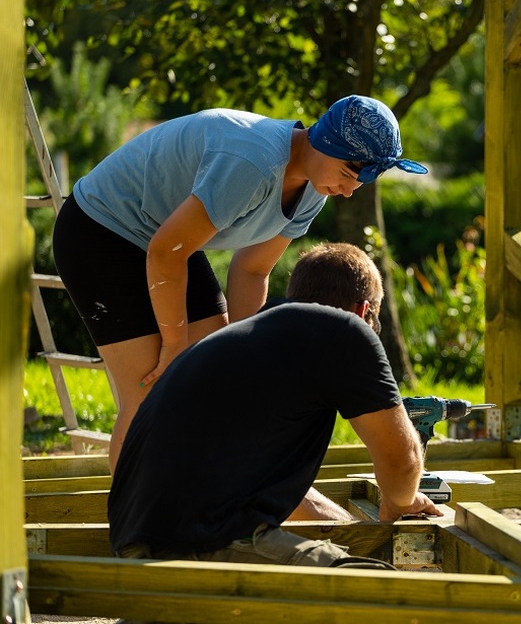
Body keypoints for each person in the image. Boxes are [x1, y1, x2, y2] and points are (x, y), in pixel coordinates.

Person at [52, 95, 428, 472]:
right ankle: (130, 526)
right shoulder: (254, 163)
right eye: (349, 174)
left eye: (363, 181)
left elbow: (252, 270)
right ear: (325, 142)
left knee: (213, 380)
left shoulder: (315, 187)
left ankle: (192, 508)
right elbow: (166, 252)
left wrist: (247, 355)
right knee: (153, 394)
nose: (349, 191)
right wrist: (174, 343)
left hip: (164, 238)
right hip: (101, 230)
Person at [109, 242, 443, 566]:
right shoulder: (346, 330)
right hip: (204, 543)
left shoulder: (243, 339)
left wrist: (347, 527)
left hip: (136, 544)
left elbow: (264, 488)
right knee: (380, 590)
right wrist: (403, 501)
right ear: (363, 311)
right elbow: (401, 461)